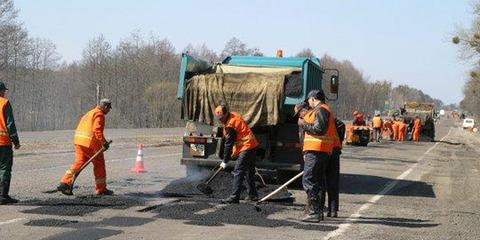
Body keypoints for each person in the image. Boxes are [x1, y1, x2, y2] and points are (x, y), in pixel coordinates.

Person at [57, 99, 113, 196]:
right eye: (108, 108)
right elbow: (97, 130)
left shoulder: (90, 113)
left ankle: (65, 182)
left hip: (79, 141)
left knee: (80, 162)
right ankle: (101, 189)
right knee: (99, 164)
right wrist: (104, 142)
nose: (109, 110)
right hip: (89, 143)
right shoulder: (99, 115)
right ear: (105, 106)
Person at [298, 90, 338, 222]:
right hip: (320, 150)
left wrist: (304, 125)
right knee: (318, 181)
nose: (308, 103)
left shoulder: (321, 110)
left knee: (309, 180)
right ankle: (317, 212)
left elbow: (319, 129)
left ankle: (314, 212)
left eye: (309, 100)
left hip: (317, 150)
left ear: (313, 98)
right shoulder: (323, 110)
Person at [215, 105, 259, 204]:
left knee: (238, 171)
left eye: (221, 118)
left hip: (247, 146)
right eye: (218, 118)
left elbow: (228, 144)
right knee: (249, 171)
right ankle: (253, 195)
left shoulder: (231, 125)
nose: (220, 120)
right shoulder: (233, 115)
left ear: (226, 113)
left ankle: (234, 197)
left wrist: (225, 161)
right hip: (252, 145)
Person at [0, 82, 20, 205]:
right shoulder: (4, 102)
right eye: (3, 90)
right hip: (3, 143)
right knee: (4, 168)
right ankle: (2, 196)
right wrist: (16, 141)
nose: (4, 93)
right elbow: (10, 124)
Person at [325, 118, 345, 218]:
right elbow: (341, 125)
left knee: (319, 182)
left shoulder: (314, 115)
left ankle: (318, 210)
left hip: (322, 151)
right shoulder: (329, 116)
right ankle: (333, 210)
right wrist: (339, 142)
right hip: (334, 150)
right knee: (333, 182)